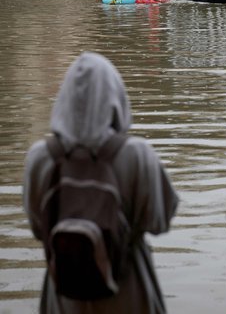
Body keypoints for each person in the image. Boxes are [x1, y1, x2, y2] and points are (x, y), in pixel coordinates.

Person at [23, 51, 178, 314]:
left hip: (63, 295)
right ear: (116, 98)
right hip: (128, 291)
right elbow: (159, 222)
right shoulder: (137, 154)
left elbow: (39, 229)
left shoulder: (40, 158)